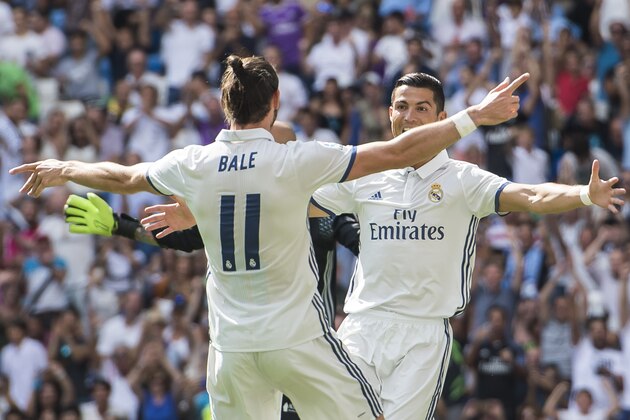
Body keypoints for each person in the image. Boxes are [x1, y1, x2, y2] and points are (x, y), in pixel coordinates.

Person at [11, 55, 526, 420]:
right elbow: (393, 155)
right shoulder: (297, 161)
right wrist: (473, 116)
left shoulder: (195, 163)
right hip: (297, 342)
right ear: (276, 102)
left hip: (229, 349)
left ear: (223, 103)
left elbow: (122, 177)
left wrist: (63, 167)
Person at [307, 72, 625, 419]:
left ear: (441, 119)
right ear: (389, 113)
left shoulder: (463, 179)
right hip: (362, 325)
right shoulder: (367, 173)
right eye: (401, 107)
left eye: (421, 108)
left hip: (423, 333)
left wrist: (583, 194)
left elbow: (532, 195)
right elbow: (304, 201)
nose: (410, 117)